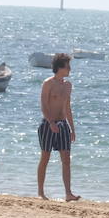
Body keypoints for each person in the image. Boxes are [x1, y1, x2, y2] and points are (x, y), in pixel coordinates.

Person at [36, 53, 78, 201]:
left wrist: (72, 128)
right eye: (67, 66)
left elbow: (67, 107)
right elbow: (44, 105)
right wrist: (51, 122)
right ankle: (40, 192)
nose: (70, 69)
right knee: (45, 157)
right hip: (48, 125)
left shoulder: (68, 85)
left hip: (63, 124)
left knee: (66, 159)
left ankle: (68, 193)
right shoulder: (48, 83)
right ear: (60, 67)